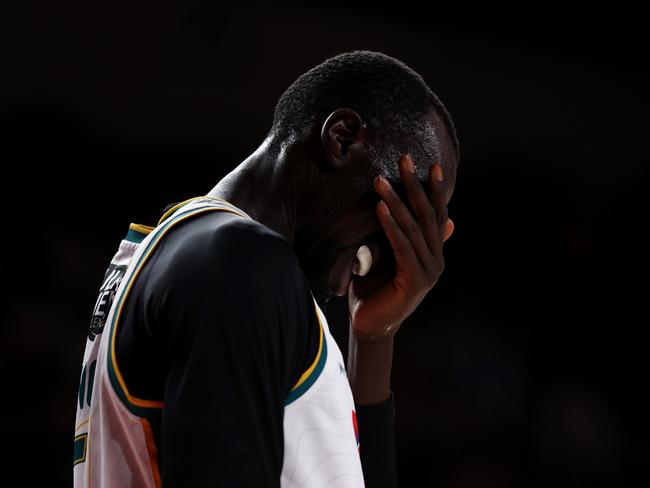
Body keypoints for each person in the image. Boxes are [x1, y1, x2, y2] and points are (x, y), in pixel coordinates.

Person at [73, 50, 459, 487]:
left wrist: (374, 339)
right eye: (408, 210)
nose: (398, 249)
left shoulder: (195, 254)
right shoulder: (240, 263)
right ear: (343, 138)